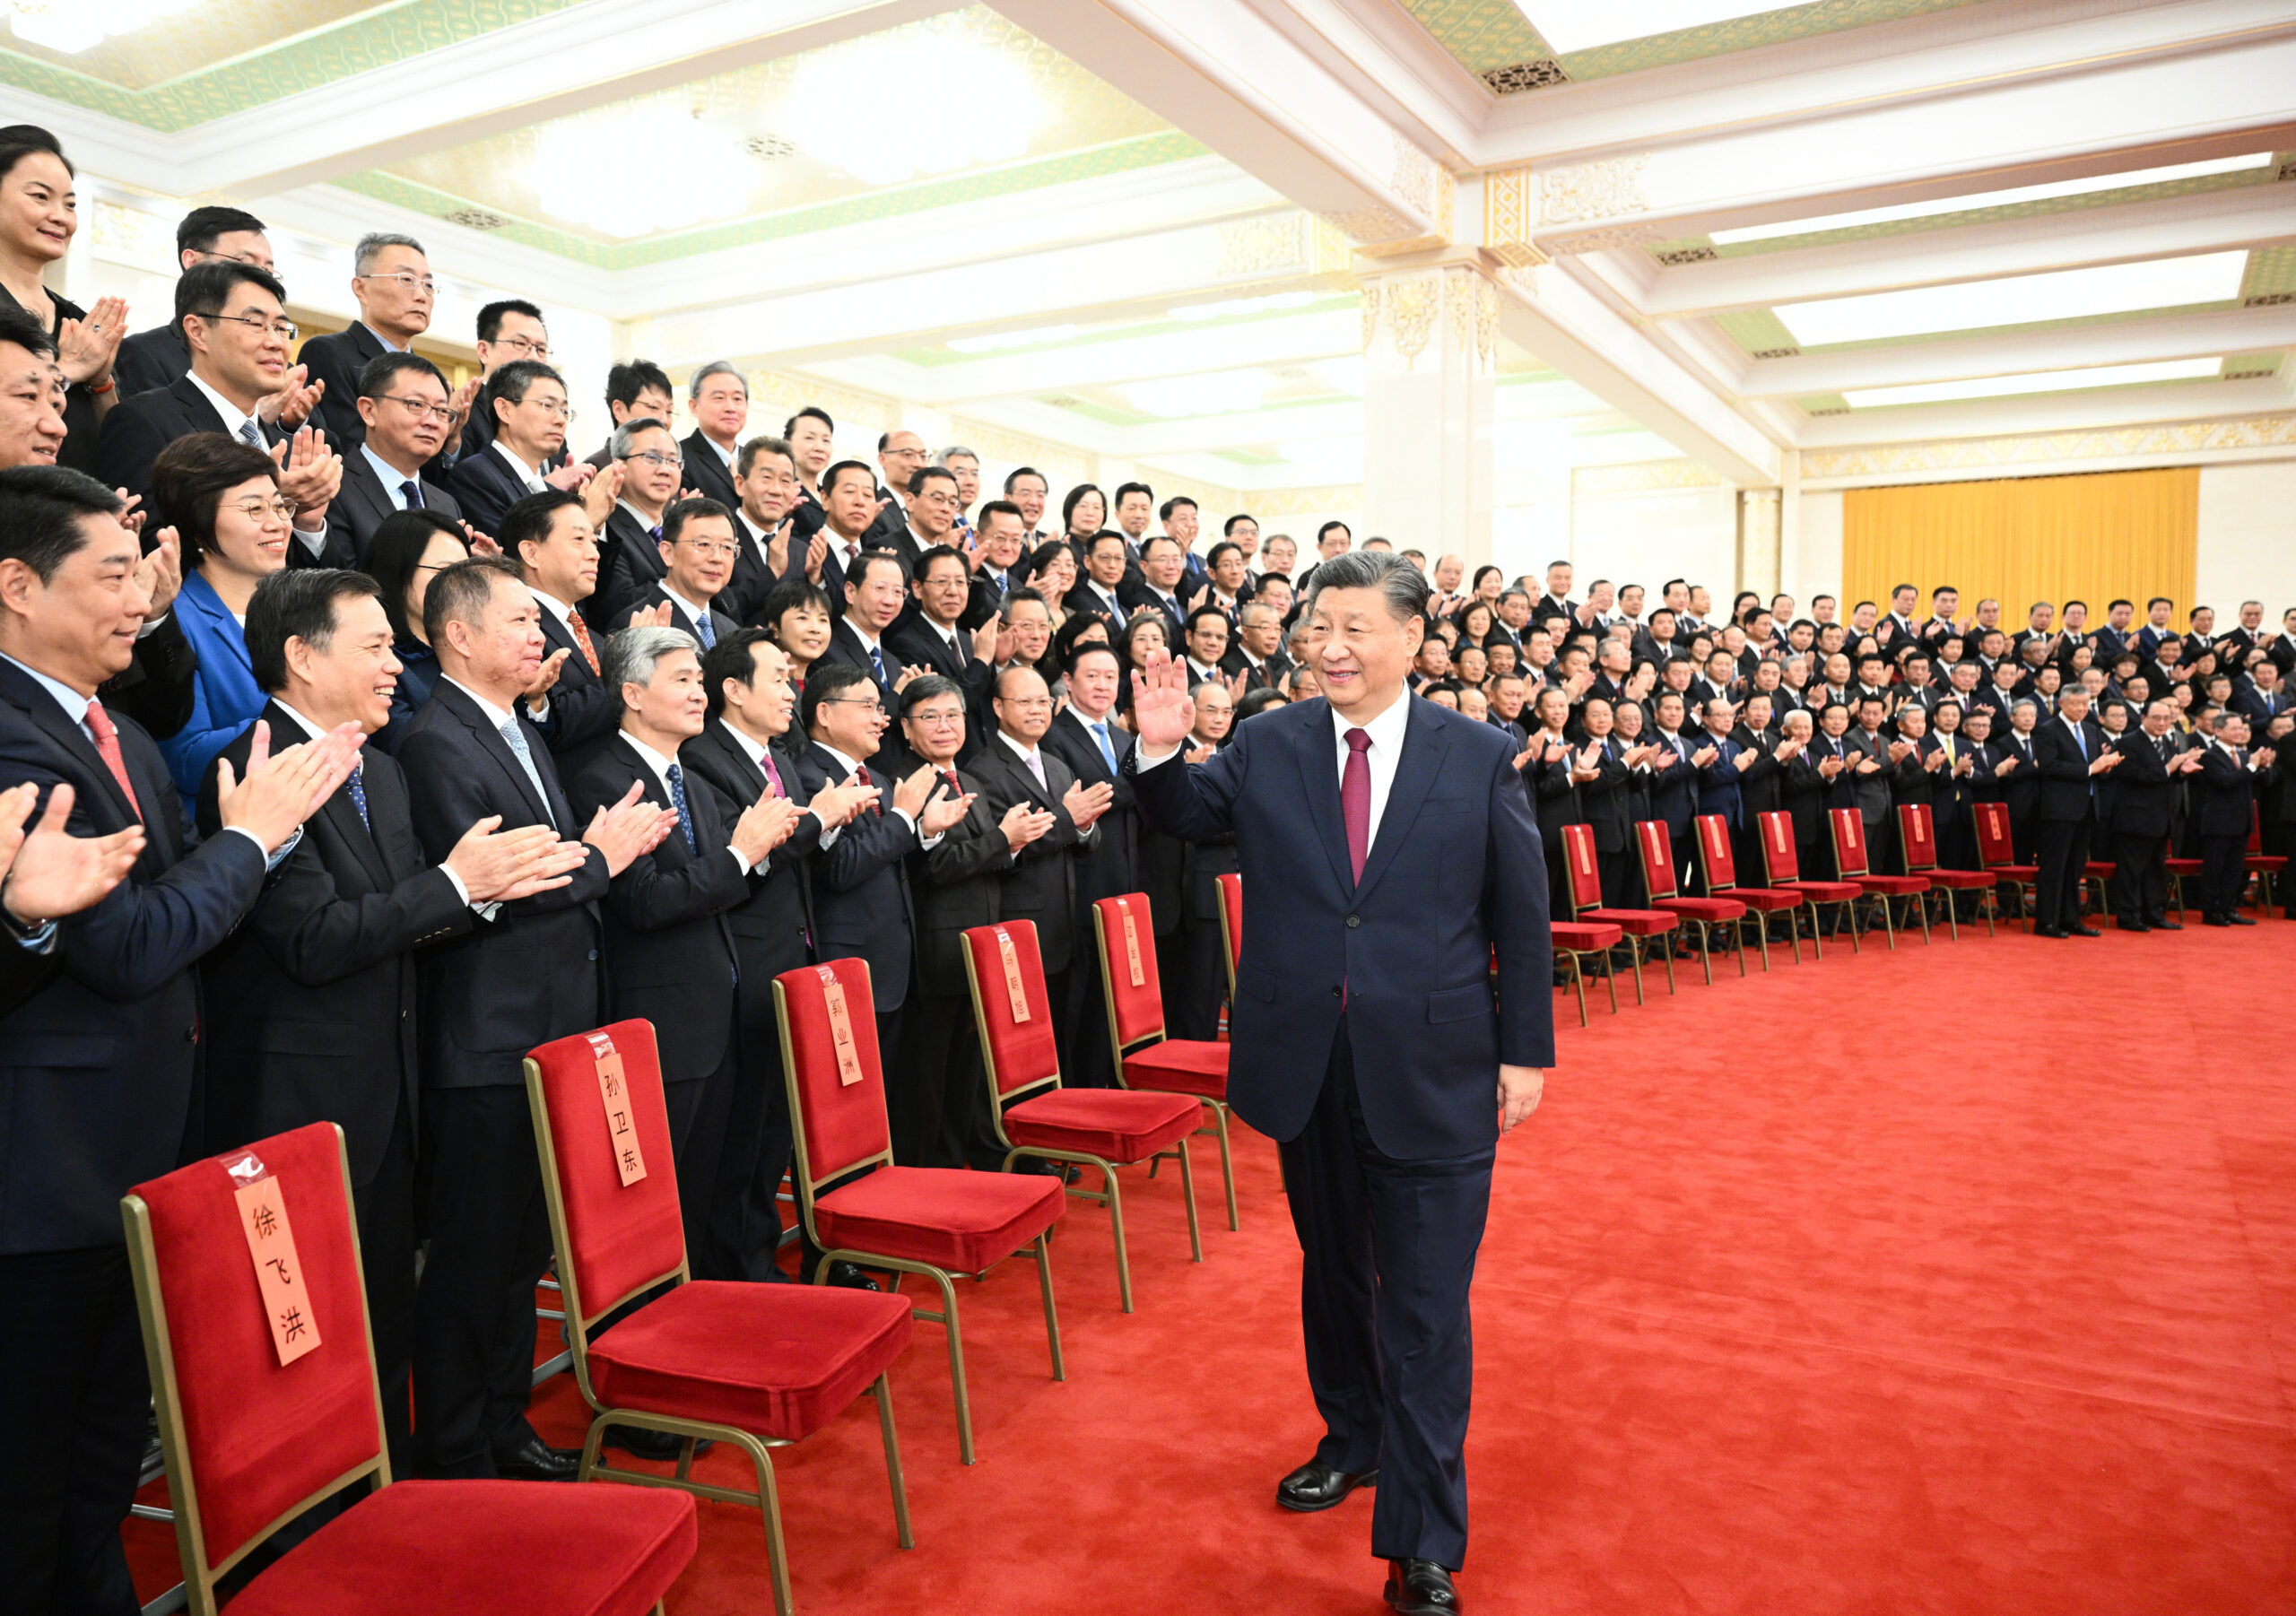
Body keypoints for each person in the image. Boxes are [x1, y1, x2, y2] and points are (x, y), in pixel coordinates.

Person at [1127, 549, 1550, 1616]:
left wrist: (1524, 1049)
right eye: (1320, 626)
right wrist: (1159, 746)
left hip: (1438, 1068)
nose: (1332, 646)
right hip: (1304, 1063)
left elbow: (1519, 912)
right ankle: (1352, 1435)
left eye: (1357, 627)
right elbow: (1180, 812)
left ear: (1412, 637)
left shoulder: (1478, 754)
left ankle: (1419, 1538)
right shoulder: (1269, 743)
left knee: (1423, 1304)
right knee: (1331, 1269)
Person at [0, 464, 356, 1615]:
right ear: (17, 585)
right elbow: (129, 944)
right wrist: (250, 841)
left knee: (97, 1465)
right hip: (42, 1178)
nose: (139, 601)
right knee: (28, 1481)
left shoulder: (118, 733)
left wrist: (254, 833)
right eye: (112, 576)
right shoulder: (15, 748)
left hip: (132, 1151)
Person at [194, 567, 585, 1477]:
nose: (392, 667)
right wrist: (460, 884)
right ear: (300, 655)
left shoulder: (379, 767)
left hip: (386, 1090)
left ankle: (397, 1490)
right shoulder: (260, 762)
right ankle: (309, 1527)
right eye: (372, 647)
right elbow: (312, 938)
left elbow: (410, 908)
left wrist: (469, 888)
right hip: (293, 1095)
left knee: (383, 1318)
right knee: (300, 1342)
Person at [394, 556, 674, 1481]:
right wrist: (602, 858)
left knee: (521, 1250)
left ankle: (503, 1422)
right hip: (486, 1038)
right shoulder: (437, 742)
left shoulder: (517, 728)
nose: (541, 635)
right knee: (473, 1259)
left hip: (546, 1033)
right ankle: (455, 1446)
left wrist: (591, 857)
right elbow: (499, 887)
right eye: (520, 619)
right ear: (459, 635)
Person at [568, 624, 800, 1310]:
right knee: (654, 1201)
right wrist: (741, 856)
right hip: (658, 1021)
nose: (698, 694)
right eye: (681, 681)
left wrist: (744, 858)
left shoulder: (689, 779)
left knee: (706, 1186)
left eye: (700, 681)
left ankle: (705, 1323)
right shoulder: (604, 780)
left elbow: (719, 888)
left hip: (717, 1012)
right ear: (632, 694)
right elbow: (641, 902)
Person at [683, 630, 872, 1280]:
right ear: (733, 690)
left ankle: (758, 1257)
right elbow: (749, 858)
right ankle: (737, 1269)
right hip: (745, 968)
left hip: (792, 960)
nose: (792, 692)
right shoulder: (705, 760)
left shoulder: (778, 758)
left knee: (772, 1133)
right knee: (739, 1138)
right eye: (778, 679)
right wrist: (818, 820)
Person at [795, 660, 970, 1116]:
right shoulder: (812, 777)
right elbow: (838, 870)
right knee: (844, 1107)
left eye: (880, 707)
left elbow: (890, 855)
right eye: (868, 706)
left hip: (891, 964)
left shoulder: (875, 777)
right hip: (847, 961)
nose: (881, 718)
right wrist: (902, 820)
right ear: (826, 713)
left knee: (878, 1102)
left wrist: (924, 830)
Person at [889, 674, 1045, 1169]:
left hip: (979, 948)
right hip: (936, 954)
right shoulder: (909, 783)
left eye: (952, 715)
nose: (944, 727)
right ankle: (925, 1188)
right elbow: (930, 867)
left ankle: (959, 1175)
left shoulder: (967, 779)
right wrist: (1002, 839)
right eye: (929, 717)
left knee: (966, 1077)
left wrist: (1013, 844)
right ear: (906, 730)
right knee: (928, 1084)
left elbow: (981, 859)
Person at [96, 261, 342, 546]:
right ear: (198, 331)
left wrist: (306, 524)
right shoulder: (143, 422)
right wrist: (265, 502)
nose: (277, 342)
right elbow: (144, 546)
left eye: (281, 327)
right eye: (256, 324)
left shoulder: (281, 446)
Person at [150, 434, 308, 804]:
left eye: (280, 506)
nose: (278, 524)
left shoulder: (303, 605)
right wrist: (302, 720)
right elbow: (185, 760)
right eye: (255, 510)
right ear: (199, 526)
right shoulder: (174, 623)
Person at [0, 129, 124, 477]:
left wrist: (101, 384)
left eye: (70, 205)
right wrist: (65, 371)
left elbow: (114, 443)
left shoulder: (80, 322)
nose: (61, 217)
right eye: (41, 197)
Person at [295, 232, 441, 453]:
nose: (422, 295)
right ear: (361, 288)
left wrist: (452, 440)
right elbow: (344, 446)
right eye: (407, 280)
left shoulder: (431, 377)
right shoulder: (329, 353)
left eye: (428, 285)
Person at [112, 205, 273, 399]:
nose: (260, 278)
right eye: (245, 263)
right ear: (193, 262)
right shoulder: (145, 354)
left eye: (268, 271)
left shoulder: (279, 365)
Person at [448, 360, 593, 560]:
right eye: (548, 405)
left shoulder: (551, 494)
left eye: (565, 411)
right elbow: (516, 566)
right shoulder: (476, 477)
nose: (560, 420)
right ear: (505, 410)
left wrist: (594, 527)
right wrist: (591, 518)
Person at [329, 351, 465, 560]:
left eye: (441, 410)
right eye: (416, 405)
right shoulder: (333, 487)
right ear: (368, 411)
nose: (432, 421)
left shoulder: (446, 504)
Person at [364, 510, 472, 751]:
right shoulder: (385, 665)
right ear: (399, 571)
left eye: (467, 572)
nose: (461, 586)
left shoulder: (478, 647)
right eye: (445, 572)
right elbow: (415, 750)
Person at [2031, 685, 2117, 937]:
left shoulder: (2091, 730)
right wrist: (2091, 769)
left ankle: (2071, 918)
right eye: (2076, 703)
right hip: (2059, 809)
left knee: (2075, 867)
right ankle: (2046, 921)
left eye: (2086, 704)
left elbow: (2092, 766)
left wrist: (2105, 768)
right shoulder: (2047, 730)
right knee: (2054, 867)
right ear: (2061, 703)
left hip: (2087, 807)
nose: (2082, 708)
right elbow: (2049, 767)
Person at [2195, 709, 2270, 925]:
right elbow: (2226, 782)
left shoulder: (2245, 755)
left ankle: (2229, 908)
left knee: (2234, 869)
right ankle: (2211, 911)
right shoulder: (2209, 756)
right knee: (2215, 869)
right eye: (2234, 728)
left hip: (2242, 821)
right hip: (2219, 822)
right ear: (2218, 731)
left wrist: (2263, 767)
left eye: (2242, 728)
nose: (2240, 732)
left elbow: (2261, 783)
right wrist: (2252, 766)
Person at [457, 299, 552, 465]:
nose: (533, 357)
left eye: (541, 350)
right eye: (521, 343)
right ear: (484, 351)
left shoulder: (550, 418)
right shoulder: (463, 413)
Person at [640, 496, 741, 649]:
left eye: (727, 547)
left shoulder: (731, 630)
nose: (717, 558)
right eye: (703, 544)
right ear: (668, 553)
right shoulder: (640, 623)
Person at [680, 361, 747, 511]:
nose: (730, 408)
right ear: (694, 406)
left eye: (737, 399)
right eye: (719, 398)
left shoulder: (756, 461)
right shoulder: (679, 458)